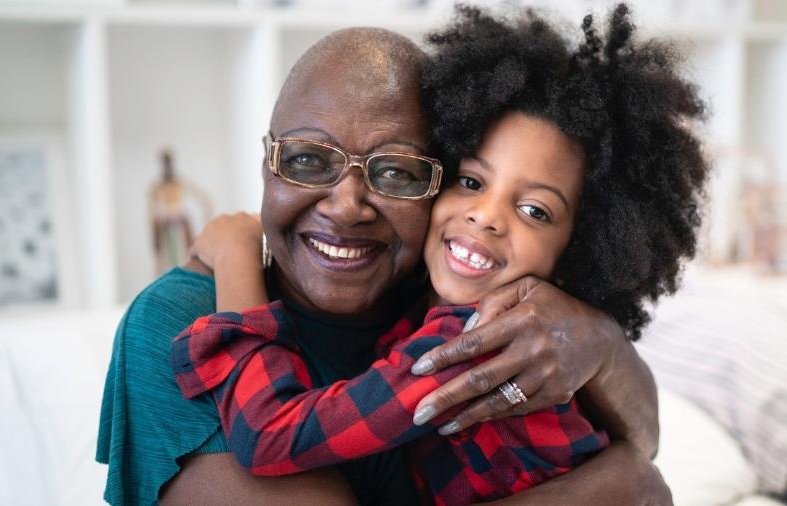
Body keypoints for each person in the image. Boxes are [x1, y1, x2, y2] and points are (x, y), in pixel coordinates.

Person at [97, 20, 668, 506]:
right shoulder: (175, 320)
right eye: (306, 159)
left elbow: (645, 439)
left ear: (432, 187)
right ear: (267, 164)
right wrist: (619, 484)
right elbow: (637, 472)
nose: (346, 207)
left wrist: (601, 340)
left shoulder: (452, 313)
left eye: (396, 171)